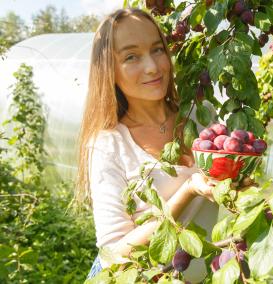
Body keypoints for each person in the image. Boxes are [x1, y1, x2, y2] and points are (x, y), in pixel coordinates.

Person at [75, 8, 220, 282]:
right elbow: (115, 254)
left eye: (157, 50)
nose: (153, 66)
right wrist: (187, 191)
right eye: (131, 57)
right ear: (109, 71)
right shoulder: (109, 145)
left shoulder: (202, 116)